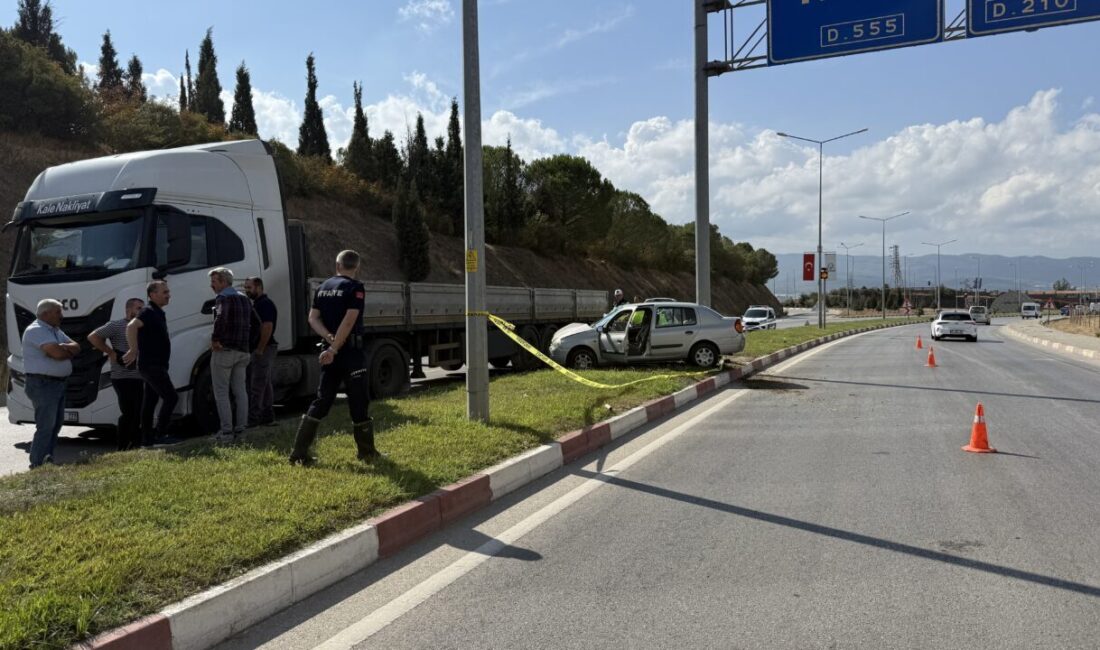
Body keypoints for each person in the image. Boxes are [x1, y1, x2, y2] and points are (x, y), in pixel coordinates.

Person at [290, 249, 379, 464]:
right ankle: (366, 452)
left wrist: (328, 339)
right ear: (356, 267)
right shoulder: (355, 288)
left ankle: (299, 454)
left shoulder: (322, 288)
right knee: (358, 400)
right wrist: (335, 348)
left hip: (330, 352)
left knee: (322, 400)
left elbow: (313, 318)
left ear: (337, 265)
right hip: (349, 352)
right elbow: (349, 321)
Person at [21, 299, 80, 468]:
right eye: (58, 312)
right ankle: (38, 464)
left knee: (55, 424)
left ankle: (47, 459)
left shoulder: (54, 330)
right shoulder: (36, 330)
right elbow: (58, 354)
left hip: (56, 384)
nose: (61, 316)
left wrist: (64, 349)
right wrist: (64, 351)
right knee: (46, 426)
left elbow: (77, 346)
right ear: (45, 313)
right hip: (43, 384)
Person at [124, 281, 179, 446]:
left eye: (168, 291)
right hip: (151, 365)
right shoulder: (148, 311)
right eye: (165, 292)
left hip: (156, 365)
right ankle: (160, 434)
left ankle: (147, 439)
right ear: (152, 295)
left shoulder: (158, 312)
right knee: (171, 397)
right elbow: (131, 326)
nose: (168, 295)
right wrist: (133, 350)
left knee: (150, 401)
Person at [88, 298, 145, 451]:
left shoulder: (141, 325)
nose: (141, 311)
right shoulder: (117, 325)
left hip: (140, 375)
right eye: (138, 308)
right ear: (129, 309)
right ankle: (122, 446)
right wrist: (110, 352)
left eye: (142, 308)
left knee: (138, 410)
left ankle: (135, 443)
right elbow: (93, 337)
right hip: (122, 375)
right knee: (128, 411)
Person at [208, 267, 252, 441]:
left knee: (221, 392)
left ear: (224, 282)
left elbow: (220, 318)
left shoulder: (222, 298)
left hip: (225, 350)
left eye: (214, 281)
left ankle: (226, 433)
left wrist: (215, 339)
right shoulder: (245, 298)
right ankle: (241, 431)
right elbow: (255, 322)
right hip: (243, 351)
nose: (211, 285)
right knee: (241, 392)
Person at [244, 276, 278, 427]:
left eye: (249, 287)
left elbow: (267, 327)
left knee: (257, 384)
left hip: (264, 348)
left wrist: (260, 348)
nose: (246, 291)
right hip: (264, 348)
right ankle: (267, 417)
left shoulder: (264, 304)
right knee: (264, 383)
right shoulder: (258, 304)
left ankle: (253, 420)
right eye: (246, 287)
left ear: (258, 287)